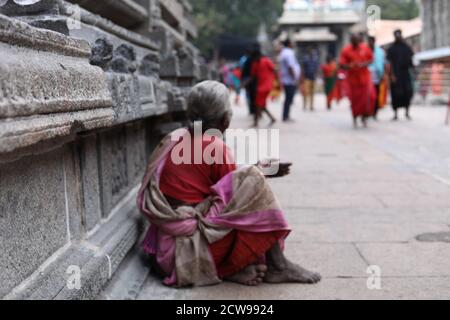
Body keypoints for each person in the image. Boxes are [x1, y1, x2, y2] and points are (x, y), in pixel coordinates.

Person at [137, 81, 322, 288]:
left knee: (250, 178)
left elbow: (227, 185)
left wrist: (255, 170)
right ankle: (277, 265)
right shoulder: (214, 146)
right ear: (225, 119)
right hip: (187, 251)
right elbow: (239, 196)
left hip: (162, 249)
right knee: (253, 185)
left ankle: (237, 269)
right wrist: (257, 173)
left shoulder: (175, 137)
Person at [339, 33, 374, 128]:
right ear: (351, 41)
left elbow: (371, 59)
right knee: (355, 100)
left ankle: (365, 116)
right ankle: (355, 117)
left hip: (365, 79)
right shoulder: (346, 50)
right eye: (353, 41)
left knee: (369, 97)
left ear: (359, 41)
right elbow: (342, 64)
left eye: (357, 41)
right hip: (353, 81)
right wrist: (350, 66)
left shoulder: (365, 48)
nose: (356, 43)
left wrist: (363, 64)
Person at [387, 30, 415, 121]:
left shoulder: (407, 48)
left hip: (405, 75)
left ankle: (407, 112)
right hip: (395, 75)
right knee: (395, 94)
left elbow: (411, 61)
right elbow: (389, 63)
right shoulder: (391, 49)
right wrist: (391, 75)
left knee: (408, 92)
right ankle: (395, 113)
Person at [250, 49, 277, 127]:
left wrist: (276, 82)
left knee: (258, 104)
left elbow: (274, 69)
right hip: (261, 86)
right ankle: (272, 118)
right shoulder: (255, 64)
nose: (254, 59)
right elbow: (253, 76)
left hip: (265, 86)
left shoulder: (266, 61)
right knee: (261, 105)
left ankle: (256, 122)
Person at [278, 39, 301, 122]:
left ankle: (286, 115)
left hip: (287, 79)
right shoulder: (288, 53)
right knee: (289, 98)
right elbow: (290, 67)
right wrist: (295, 78)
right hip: (289, 80)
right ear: (289, 44)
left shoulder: (284, 53)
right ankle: (286, 116)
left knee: (288, 98)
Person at [368, 36, 386, 120]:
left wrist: (382, 75)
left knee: (376, 94)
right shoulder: (365, 50)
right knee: (368, 95)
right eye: (369, 41)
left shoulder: (380, 52)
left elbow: (383, 63)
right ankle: (368, 111)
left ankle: (375, 112)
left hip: (377, 76)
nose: (370, 43)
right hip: (367, 76)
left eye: (372, 41)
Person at [301, 47, 320, 111]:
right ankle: (305, 104)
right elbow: (303, 68)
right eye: (311, 52)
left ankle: (311, 106)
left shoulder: (315, 59)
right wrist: (302, 77)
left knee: (312, 92)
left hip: (313, 77)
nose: (312, 53)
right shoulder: (305, 59)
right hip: (307, 77)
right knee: (306, 92)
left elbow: (317, 68)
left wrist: (317, 75)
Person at [240, 49, 257, 115]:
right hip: (252, 80)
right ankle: (255, 110)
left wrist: (242, 80)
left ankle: (251, 110)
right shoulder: (254, 60)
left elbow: (243, 70)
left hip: (247, 79)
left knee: (249, 95)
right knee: (253, 95)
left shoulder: (244, 59)